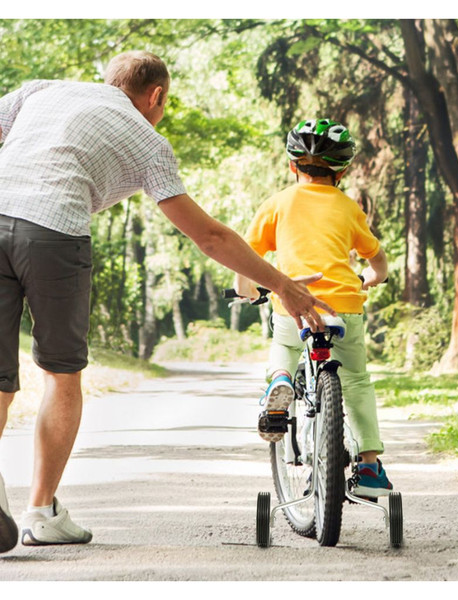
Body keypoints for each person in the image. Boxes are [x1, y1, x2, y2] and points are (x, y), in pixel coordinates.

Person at [0, 52, 334, 554]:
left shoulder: (40, 88)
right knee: (60, 372)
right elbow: (210, 237)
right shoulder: (147, 139)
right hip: (54, 232)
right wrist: (283, 284)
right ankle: (41, 512)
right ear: (155, 96)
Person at [235, 118, 393, 499]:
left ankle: (280, 381)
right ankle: (369, 466)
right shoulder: (349, 208)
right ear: (342, 170)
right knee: (355, 380)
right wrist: (373, 278)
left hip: (293, 304)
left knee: (285, 346)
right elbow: (377, 259)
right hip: (343, 309)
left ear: (292, 165)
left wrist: (247, 291)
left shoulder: (277, 204)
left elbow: (246, 256)